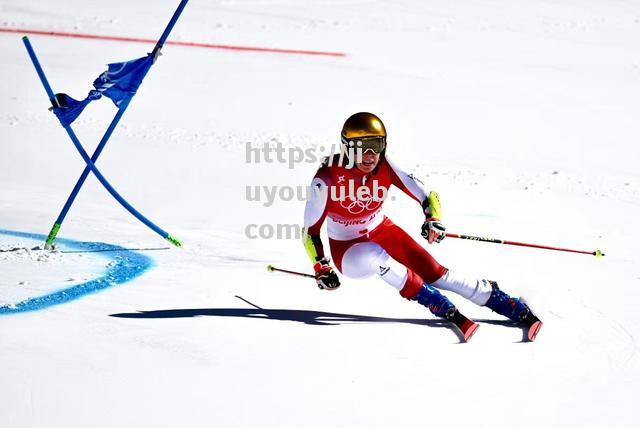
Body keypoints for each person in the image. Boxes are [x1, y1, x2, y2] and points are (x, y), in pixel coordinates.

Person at [302, 112, 542, 342]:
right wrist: (321, 266)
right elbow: (310, 232)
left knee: (435, 272)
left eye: (376, 145)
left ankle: (496, 297)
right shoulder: (327, 178)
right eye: (360, 147)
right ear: (346, 147)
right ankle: (432, 300)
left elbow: (428, 195)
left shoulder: (385, 165)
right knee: (374, 256)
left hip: (381, 230)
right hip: (348, 249)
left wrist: (432, 219)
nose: (369, 154)